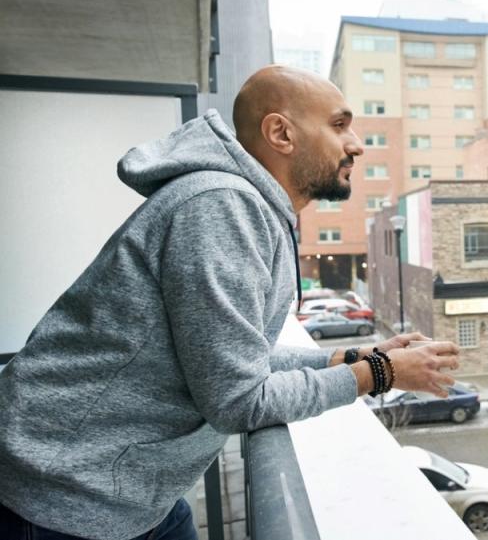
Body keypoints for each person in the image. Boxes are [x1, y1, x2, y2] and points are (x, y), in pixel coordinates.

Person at [0, 66, 460, 540]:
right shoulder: (219, 207)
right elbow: (239, 400)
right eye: (340, 125)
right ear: (281, 133)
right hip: (59, 496)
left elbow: (238, 361)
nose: (357, 144)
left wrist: (350, 356)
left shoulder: (249, 208)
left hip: (128, 494)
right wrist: (380, 375)